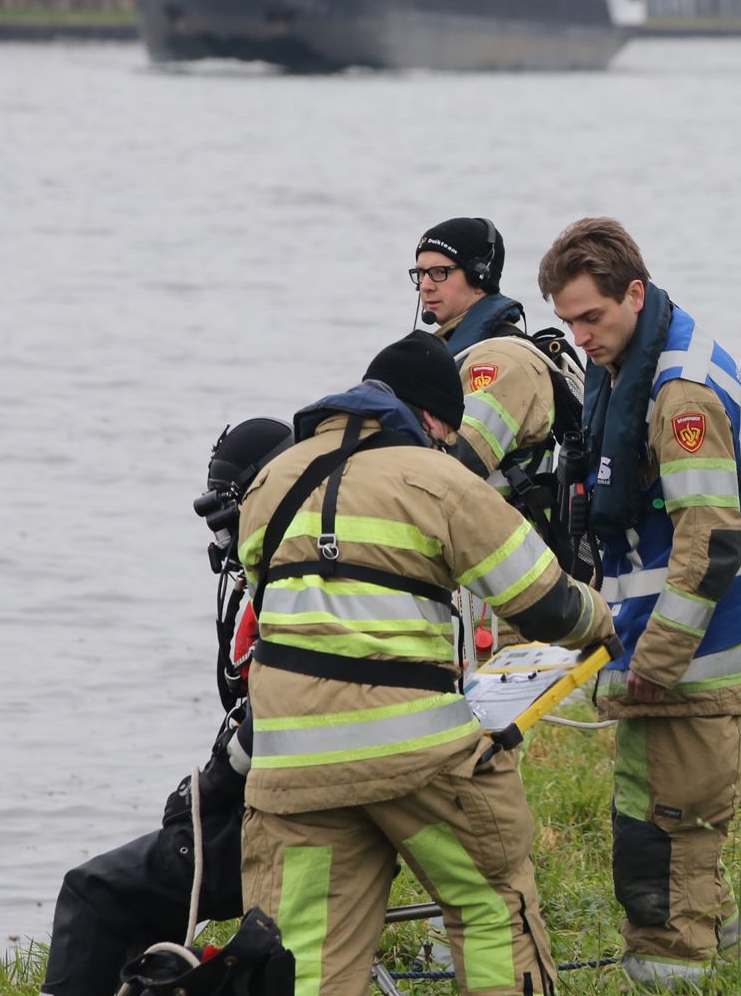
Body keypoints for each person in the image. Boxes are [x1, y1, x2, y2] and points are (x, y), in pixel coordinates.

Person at [236, 331, 615, 995]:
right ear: (435, 418)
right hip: (416, 760)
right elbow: (546, 603)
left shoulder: (271, 481)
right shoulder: (438, 477)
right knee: (489, 903)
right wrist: (603, 620)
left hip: (292, 768)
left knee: (309, 953)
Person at [537, 217, 741, 989]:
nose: (582, 337)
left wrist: (654, 660)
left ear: (635, 293)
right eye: (568, 322)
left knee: (665, 843)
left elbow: (710, 540)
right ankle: (717, 953)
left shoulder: (678, 393)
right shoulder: (641, 358)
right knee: (670, 824)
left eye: (592, 317)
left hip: (692, 657)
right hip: (673, 652)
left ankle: (671, 973)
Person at [42, 419, 290, 994]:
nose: (224, 542)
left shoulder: (286, 580)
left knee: (94, 891)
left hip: (286, 818)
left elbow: (281, 711)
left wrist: (210, 787)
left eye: (226, 520)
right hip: (316, 797)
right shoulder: (331, 561)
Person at [413, 216, 592, 649]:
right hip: (474, 582)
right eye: (420, 274)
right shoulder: (454, 356)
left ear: (479, 276)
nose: (425, 285)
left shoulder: (502, 363)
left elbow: (460, 462)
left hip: (504, 593)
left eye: (440, 272)